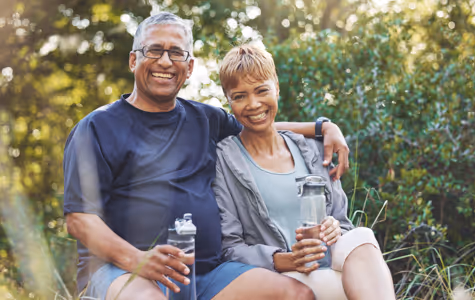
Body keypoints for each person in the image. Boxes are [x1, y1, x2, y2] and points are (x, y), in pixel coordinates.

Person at [63, 12, 351, 300]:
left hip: (208, 272)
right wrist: (137, 259)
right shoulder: (95, 128)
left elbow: (258, 123)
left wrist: (322, 127)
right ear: (133, 60)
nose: (165, 61)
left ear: (189, 67)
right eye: (154, 50)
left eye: (176, 53)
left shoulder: (205, 119)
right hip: (123, 271)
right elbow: (79, 219)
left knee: (295, 294)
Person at [213, 44, 396, 300]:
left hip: (332, 268)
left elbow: (343, 224)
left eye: (261, 90)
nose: (253, 104)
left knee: (363, 236)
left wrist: (334, 229)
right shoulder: (224, 160)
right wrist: (286, 260)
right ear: (228, 99)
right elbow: (230, 247)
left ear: (276, 87)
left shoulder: (313, 149)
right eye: (240, 96)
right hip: (282, 280)